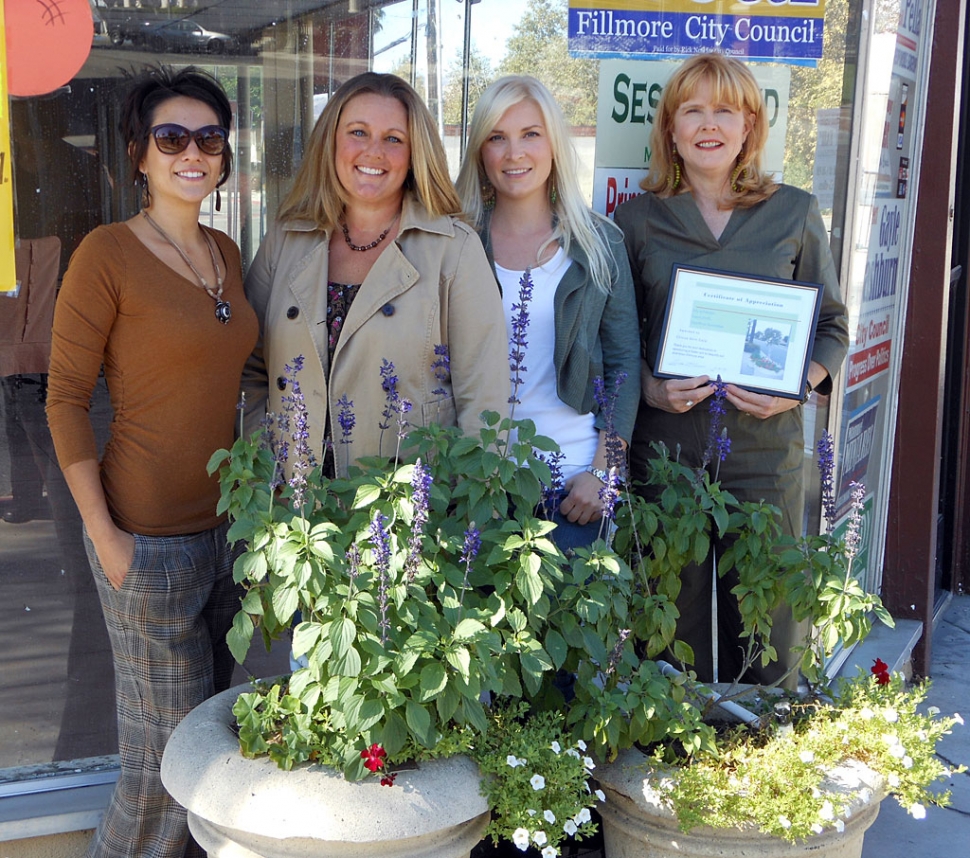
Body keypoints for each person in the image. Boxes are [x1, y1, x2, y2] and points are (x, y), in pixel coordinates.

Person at [46, 66, 258, 858]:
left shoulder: (227, 253)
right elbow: (64, 400)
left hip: (224, 539)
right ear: (139, 154)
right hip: (146, 541)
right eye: (171, 138)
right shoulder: (106, 255)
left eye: (208, 138)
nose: (191, 153)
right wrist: (106, 538)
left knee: (206, 756)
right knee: (156, 774)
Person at [614, 53, 849, 685]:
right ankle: (668, 762)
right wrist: (649, 386)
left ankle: (758, 762)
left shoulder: (795, 212)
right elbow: (616, 339)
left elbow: (831, 327)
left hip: (764, 452)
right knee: (667, 623)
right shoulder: (636, 220)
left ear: (750, 126)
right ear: (670, 128)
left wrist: (797, 388)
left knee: (766, 626)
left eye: (726, 110)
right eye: (693, 109)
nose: (709, 124)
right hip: (666, 452)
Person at [243, 72, 509, 473]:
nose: (374, 152)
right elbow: (250, 371)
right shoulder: (286, 239)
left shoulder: (454, 250)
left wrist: (460, 517)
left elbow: (483, 402)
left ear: (415, 152)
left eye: (393, 139)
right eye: (358, 132)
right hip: (292, 513)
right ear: (331, 141)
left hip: (406, 516)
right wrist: (267, 476)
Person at [456, 75, 640, 550]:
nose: (514, 153)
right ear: (480, 152)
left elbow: (624, 369)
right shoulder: (455, 243)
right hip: (477, 486)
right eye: (497, 137)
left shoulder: (600, 245)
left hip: (573, 490)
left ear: (555, 144)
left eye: (530, 134)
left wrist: (603, 471)